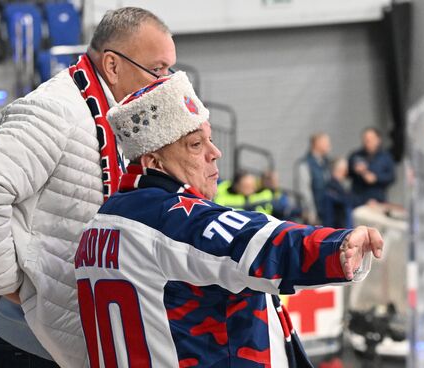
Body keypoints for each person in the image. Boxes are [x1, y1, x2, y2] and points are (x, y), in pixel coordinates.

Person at [75, 72, 384, 367]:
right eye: (195, 144)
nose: (215, 152)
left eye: (209, 139)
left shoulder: (99, 225)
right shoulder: (173, 219)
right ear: (153, 161)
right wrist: (334, 246)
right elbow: (256, 242)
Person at [0, 7, 176, 368]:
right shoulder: (55, 110)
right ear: (113, 65)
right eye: (157, 69)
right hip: (32, 338)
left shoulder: (111, 114)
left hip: (73, 331)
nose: (164, 82)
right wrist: (11, 286)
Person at [348, 127, 396, 207]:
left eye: (370, 139)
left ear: (378, 140)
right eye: (365, 139)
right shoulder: (356, 155)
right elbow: (347, 173)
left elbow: (391, 177)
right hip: (358, 200)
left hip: (378, 199)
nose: (367, 141)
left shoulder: (386, 157)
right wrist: (355, 170)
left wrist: (376, 178)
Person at [294, 132, 332, 224]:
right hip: (315, 215)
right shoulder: (305, 164)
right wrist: (311, 213)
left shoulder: (326, 162)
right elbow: (304, 191)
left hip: (327, 212)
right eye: (326, 142)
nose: (329, 145)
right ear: (317, 143)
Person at [322, 158, 354, 228]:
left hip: (340, 228)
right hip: (338, 229)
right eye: (345, 170)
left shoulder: (340, 186)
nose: (346, 173)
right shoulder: (331, 187)